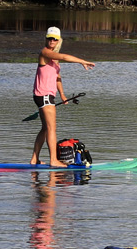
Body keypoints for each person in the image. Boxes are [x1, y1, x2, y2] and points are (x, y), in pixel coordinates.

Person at [31, 26, 95, 167]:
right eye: (49, 38)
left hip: (45, 96)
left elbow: (57, 77)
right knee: (52, 128)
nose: (52, 41)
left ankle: (34, 159)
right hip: (44, 95)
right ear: (46, 39)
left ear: (58, 40)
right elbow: (65, 57)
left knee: (45, 128)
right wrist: (82, 61)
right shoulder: (45, 52)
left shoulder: (54, 58)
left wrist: (62, 95)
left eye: (55, 39)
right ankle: (54, 160)